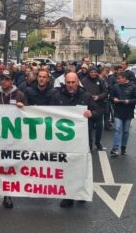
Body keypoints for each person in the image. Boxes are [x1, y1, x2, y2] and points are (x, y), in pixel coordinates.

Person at [51, 72, 96, 208]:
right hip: (64, 141)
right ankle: (69, 196)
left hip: (82, 140)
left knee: (81, 168)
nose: (70, 85)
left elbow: (100, 111)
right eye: (68, 82)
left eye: (73, 82)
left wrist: (92, 113)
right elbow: (49, 113)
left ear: (77, 82)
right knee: (67, 168)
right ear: (65, 82)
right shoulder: (57, 96)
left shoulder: (86, 96)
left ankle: (81, 193)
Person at [0, 70, 27, 209]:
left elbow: (28, 114)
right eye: (2, 79)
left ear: (12, 81)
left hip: (12, 137)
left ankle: (8, 194)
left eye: (7, 79)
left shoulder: (19, 95)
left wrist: (22, 108)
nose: (4, 81)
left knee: (9, 166)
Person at [109, 70, 136, 158]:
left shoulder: (133, 87)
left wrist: (129, 101)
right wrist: (114, 99)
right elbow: (111, 97)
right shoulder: (115, 86)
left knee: (126, 131)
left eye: (119, 78)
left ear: (125, 78)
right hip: (118, 111)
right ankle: (115, 148)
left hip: (128, 112)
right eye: (117, 78)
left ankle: (123, 147)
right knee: (117, 129)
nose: (118, 80)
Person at [81, 66, 108, 150]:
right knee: (89, 128)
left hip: (99, 106)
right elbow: (81, 92)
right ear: (88, 73)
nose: (93, 73)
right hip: (88, 107)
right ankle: (89, 144)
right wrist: (88, 97)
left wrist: (99, 97)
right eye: (91, 72)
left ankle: (98, 143)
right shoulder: (84, 80)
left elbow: (106, 92)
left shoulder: (100, 80)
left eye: (94, 72)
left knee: (99, 127)